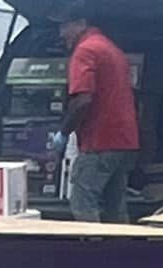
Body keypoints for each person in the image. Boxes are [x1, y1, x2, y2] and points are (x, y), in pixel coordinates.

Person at [59, 6, 140, 225]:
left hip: (100, 140)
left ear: (81, 24)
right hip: (124, 140)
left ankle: (91, 253)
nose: (61, 33)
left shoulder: (85, 51)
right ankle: (120, 253)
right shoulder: (110, 48)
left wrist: (64, 132)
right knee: (115, 205)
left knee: (83, 201)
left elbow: (83, 100)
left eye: (65, 26)